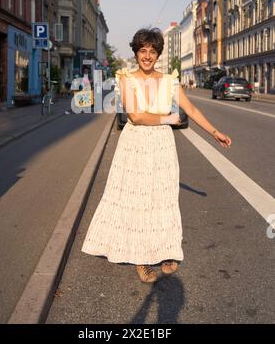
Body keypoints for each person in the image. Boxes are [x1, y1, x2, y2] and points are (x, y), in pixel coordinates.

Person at [81, 28, 231, 284]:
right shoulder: (125, 79)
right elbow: (136, 117)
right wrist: (167, 118)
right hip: (135, 145)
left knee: (164, 198)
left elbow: (191, 109)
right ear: (136, 52)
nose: (147, 56)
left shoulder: (170, 81)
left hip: (162, 146)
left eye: (152, 51)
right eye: (142, 51)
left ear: (158, 54)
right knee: (139, 199)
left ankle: (168, 251)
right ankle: (142, 259)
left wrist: (214, 131)